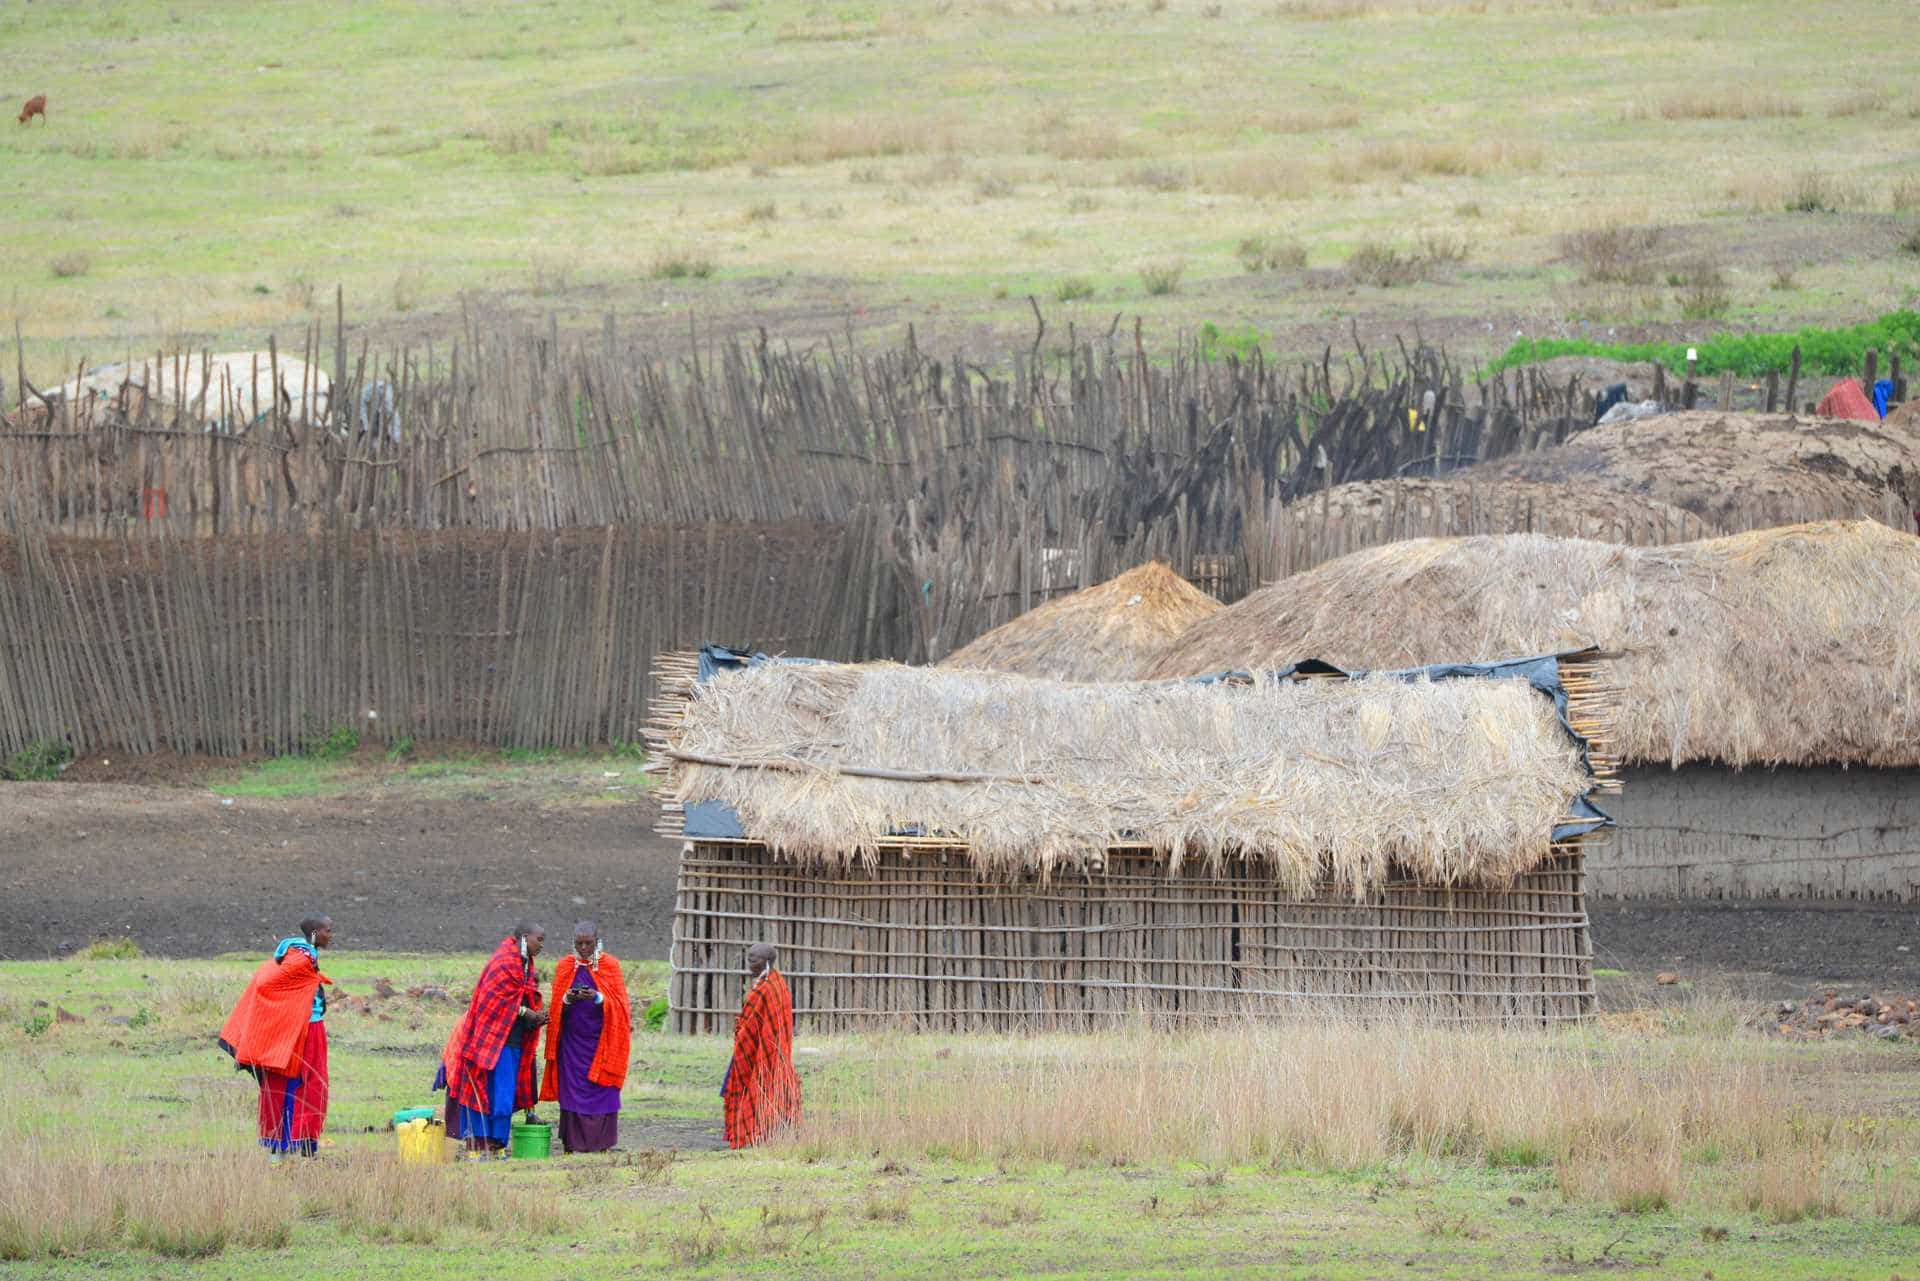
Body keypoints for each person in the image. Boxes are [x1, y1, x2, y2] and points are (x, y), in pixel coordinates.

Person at [218, 914, 334, 1159]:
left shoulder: (301, 955)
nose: (330, 935)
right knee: (302, 1086)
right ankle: (287, 1150)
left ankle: (295, 1150)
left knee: (305, 1087)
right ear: (315, 934)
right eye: (327, 931)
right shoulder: (300, 959)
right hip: (301, 1031)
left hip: (304, 1028)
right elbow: (267, 985)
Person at [438, 923, 546, 1156]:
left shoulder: (524, 962)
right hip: (492, 1040)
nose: (542, 945)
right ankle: (480, 1142)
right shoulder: (505, 962)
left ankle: (497, 1142)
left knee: (503, 1094)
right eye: (539, 939)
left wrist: (535, 1015)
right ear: (525, 938)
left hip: (513, 1040)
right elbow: (493, 999)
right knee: (485, 1091)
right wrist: (525, 1013)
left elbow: (520, 996)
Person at [539, 921, 631, 1154]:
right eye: (579, 943)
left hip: (602, 1041)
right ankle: (571, 1144)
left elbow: (621, 1008)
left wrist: (597, 997)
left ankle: (602, 1144)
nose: (583, 948)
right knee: (572, 1090)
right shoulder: (564, 967)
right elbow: (557, 1008)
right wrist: (569, 999)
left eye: (588, 943)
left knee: (602, 1087)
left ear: (596, 942)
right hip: (572, 1043)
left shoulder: (610, 966)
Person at [722, 942, 801, 1149]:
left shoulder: (769, 988)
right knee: (750, 1084)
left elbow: (770, 1022)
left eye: (754, 959)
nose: (749, 963)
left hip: (766, 1049)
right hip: (752, 1046)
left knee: (764, 1085)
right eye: (748, 958)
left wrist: (745, 1031)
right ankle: (763, 1130)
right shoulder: (770, 983)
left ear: (766, 962)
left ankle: (764, 1130)